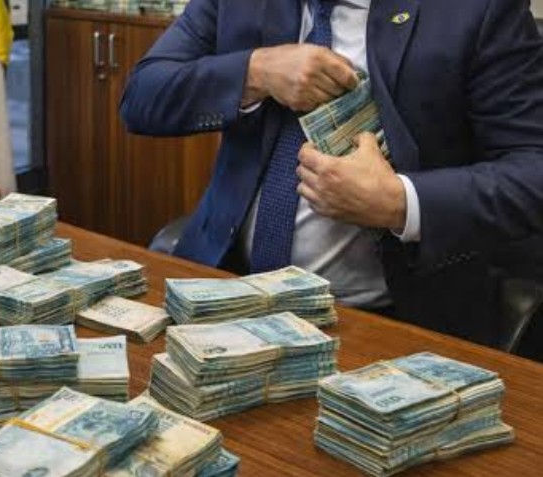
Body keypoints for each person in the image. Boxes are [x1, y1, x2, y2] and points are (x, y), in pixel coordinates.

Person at [119, 0, 543, 347]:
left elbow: (532, 170)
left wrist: (400, 202)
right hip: (228, 290)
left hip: (383, 318)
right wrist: (255, 71)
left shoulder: (479, 9)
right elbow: (143, 96)